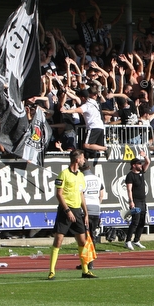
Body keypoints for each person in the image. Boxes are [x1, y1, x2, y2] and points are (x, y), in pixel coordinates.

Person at [48, 149, 96, 279]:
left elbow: (81, 195)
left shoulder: (80, 175)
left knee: (82, 241)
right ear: (77, 159)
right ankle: (52, 271)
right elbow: (59, 194)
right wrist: (67, 210)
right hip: (65, 211)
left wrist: (85, 213)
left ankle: (85, 270)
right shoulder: (63, 174)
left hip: (77, 211)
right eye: (82, 158)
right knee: (58, 240)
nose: (84, 160)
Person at [64, 88, 107, 158]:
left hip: (93, 127)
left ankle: (106, 149)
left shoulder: (86, 105)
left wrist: (66, 111)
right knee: (95, 146)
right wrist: (69, 92)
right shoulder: (95, 102)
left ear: (83, 98)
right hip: (101, 126)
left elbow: (77, 110)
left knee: (86, 145)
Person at [78, 160, 104, 271]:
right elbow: (101, 194)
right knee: (92, 236)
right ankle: (90, 261)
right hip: (96, 209)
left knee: (84, 237)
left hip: (86, 210)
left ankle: (87, 262)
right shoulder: (98, 179)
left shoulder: (82, 179)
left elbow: (80, 194)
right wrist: (98, 203)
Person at [124, 154, 149, 250]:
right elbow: (129, 189)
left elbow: (148, 162)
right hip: (136, 201)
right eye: (138, 163)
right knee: (135, 221)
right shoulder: (130, 175)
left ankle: (137, 240)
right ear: (134, 165)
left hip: (143, 201)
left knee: (142, 222)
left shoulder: (141, 172)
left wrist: (145, 156)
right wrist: (131, 201)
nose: (140, 165)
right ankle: (128, 241)